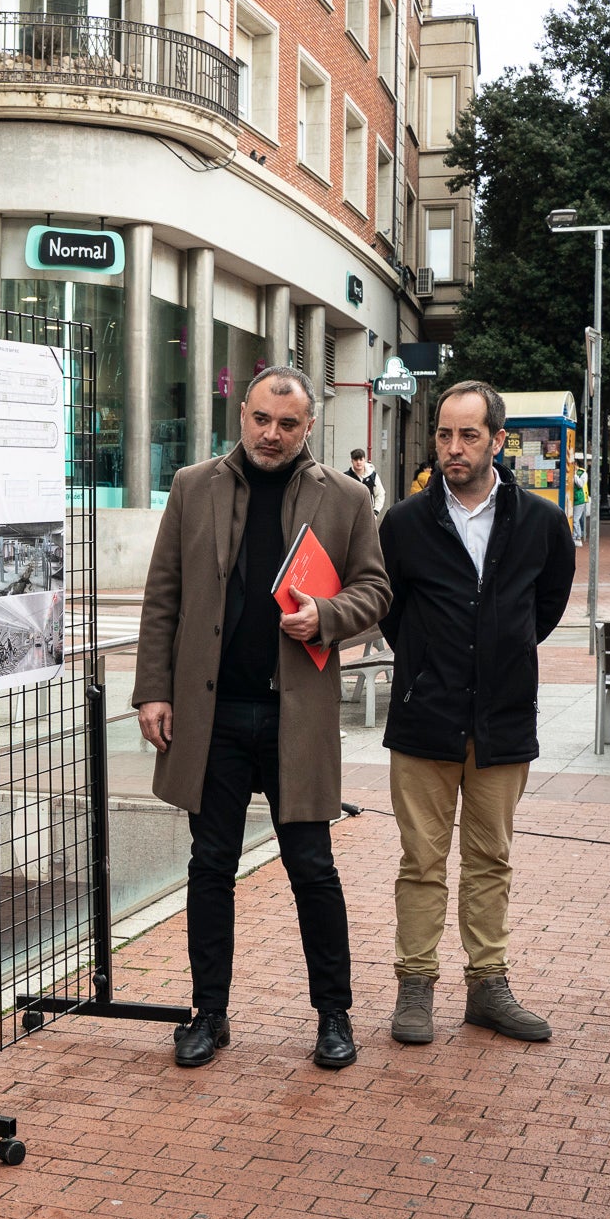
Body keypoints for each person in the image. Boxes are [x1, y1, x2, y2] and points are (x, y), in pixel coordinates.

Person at [133, 367, 391, 1070]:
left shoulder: (345, 497)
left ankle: (333, 1015)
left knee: (312, 866)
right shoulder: (194, 486)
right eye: (261, 419)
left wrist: (327, 617)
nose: (271, 434)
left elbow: (376, 589)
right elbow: (163, 596)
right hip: (211, 715)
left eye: (288, 423)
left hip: (294, 717)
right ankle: (207, 1013)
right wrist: (153, 689)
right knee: (210, 863)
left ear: (309, 428)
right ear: (241, 414)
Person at [378, 381, 575, 1046]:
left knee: (492, 857)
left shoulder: (542, 523)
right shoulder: (404, 522)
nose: (453, 448)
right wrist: (433, 663)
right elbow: (391, 611)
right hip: (423, 717)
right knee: (421, 861)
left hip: (503, 718)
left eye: (467, 435)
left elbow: (543, 610)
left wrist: (500, 654)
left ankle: (488, 986)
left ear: (497, 439)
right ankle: (415, 984)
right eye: (443, 434)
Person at [349, 447, 387, 514]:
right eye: (355, 460)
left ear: (365, 460)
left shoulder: (373, 476)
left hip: (369, 514)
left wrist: (375, 512)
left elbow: (380, 494)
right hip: (351, 514)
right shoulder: (346, 476)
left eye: (361, 459)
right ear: (351, 461)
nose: (358, 462)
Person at [572, 461, 590, 547]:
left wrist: (575, 474)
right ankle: (576, 536)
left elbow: (580, 484)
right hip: (572, 499)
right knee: (575, 519)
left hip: (579, 499)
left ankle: (577, 537)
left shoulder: (582, 473)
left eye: (574, 464)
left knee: (576, 519)